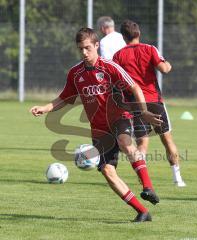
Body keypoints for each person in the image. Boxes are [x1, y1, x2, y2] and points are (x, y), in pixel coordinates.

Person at [30, 27, 163, 222]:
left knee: (125, 141)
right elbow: (64, 98)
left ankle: (147, 187)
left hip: (119, 117)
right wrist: (46, 107)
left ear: (96, 46)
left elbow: (134, 86)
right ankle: (142, 211)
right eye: (80, 49)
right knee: (108, 172)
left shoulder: (110, 67)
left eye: (87, 48)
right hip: (99, 129)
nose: (84, 53)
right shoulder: (76, 73)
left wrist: (143, 112)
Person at [113, 20, 186, 187]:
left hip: (136, 105)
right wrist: (169, 64)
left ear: (123, 37)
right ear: (138, 34)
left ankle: (143, 177)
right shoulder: (150, 49)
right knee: (167, 140)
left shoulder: (118, 56)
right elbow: (164, 69)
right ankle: (178, 179)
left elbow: (117, 82)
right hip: (155, 102)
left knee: (142, 143)